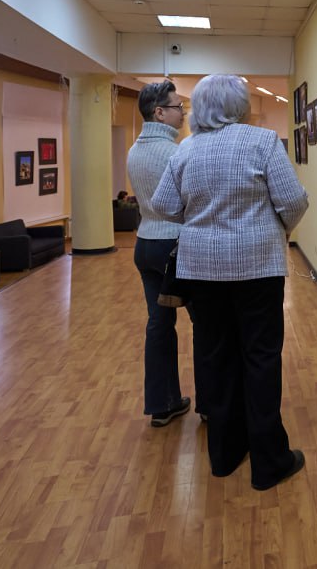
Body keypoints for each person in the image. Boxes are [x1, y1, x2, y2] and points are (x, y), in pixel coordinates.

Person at [152, 75, 310, 491]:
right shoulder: (263, 142)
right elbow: (294, 200)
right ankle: (268, 462)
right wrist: (276, 230)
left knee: (214, 358)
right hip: (257, 267)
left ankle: (223, 455)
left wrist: (200, 221)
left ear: (200, 108)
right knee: (260, 359)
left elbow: (164, 205)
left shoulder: (186, 149)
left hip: (200, 270)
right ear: (239, 106)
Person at [126, 80, 197, 428]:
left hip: (146, 244)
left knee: (158, 325)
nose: (182, 113)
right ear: (159, 112)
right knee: (205, 323)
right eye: (177, 106)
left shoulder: (134, 151)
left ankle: (162, 404)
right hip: (177, 246)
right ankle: (212, 405)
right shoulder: (176, 153)